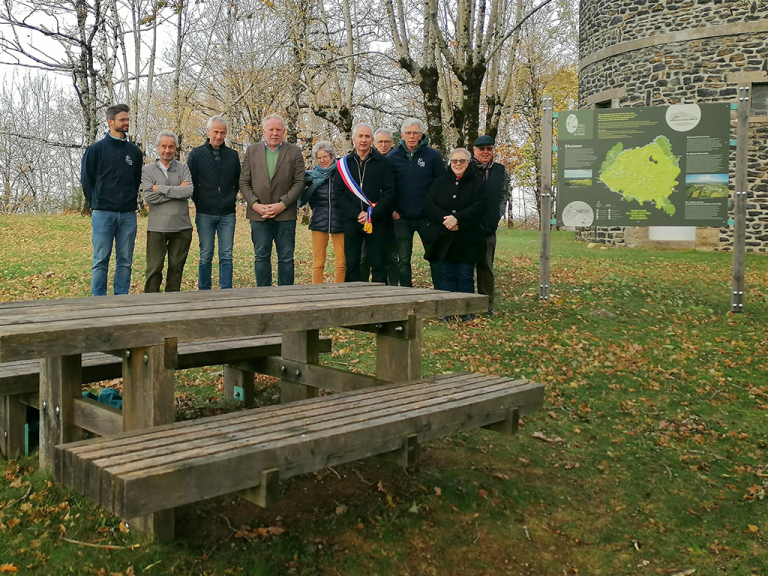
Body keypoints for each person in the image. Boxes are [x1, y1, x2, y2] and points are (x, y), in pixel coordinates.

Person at [81, 103, 143, 296]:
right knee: (101, 259)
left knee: (125, 260)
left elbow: (136, 180)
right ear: (110, 122)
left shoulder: (134, 152)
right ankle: (98, 301)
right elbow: (87, 180)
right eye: (122, 120)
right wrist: (96, 204)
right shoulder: (95, 150)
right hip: (103, 214)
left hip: (127, 215)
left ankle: (121, 299)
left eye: (128, 120)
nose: (126, 123)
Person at [240, 114, 305, 286]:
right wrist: (255, 205)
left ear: (284, 132)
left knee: (286, 257)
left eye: (278, 130)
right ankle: (263, 295)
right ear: (263, 131)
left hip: (285, 214)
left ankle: (285, 297)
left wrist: (282, 204)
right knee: (261, 256)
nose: (275, 133)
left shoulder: (294, 151)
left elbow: (299, 182)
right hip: (258, 215)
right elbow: (244, 182)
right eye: (271, 129)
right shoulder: (251, 151)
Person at [424, 148, 486, 308]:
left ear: (468, 162)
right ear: (450, 162)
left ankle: (466, 310)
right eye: (454, 161)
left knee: (465, 275)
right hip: (443, 237)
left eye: (462, 161)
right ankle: (446, 310)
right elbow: (429, 205)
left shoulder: (477, 182)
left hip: (467, 237)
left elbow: (480, 206)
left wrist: (458, 219)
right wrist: (446, 221)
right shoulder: (439, 181)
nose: (458, 164)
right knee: (445, 275)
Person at [387, 118, 445, 287]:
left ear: (421, 135)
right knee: (403, 260)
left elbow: (441, 185)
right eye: (408, 133)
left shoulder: (433, 156)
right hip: (401, 218)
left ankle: (439, 295)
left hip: (426, 217)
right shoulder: (392, 157)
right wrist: (391, 209)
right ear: (402, 135)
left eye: (415, 133)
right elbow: (385, 186)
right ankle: (407, 296)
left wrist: (435, 211)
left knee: (434, 257)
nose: (411, 136)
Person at [335, 122, 395, 283]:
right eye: (360, 136)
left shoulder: (383, 163)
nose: (363, 140)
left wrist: (373, 214)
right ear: (353, 139)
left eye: (367, 136)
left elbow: (390, 192)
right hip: (352, 220)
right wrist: (357, 213)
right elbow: (339, 194)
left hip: (377, 220)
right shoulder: (343, 164)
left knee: (378, 263)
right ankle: (352, 300)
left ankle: (379, 300)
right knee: (353, 263)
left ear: (372, 140)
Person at [187, 115, 240, 290]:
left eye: (222, 133)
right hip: (205, 212)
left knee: (226, 255)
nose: (219, 136)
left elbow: (237, 181)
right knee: (205, 254)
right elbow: (190, 182)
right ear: (208, 131)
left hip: (227, 213)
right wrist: (200, 201)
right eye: (216, 132)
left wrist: (230, 197)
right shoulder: (196, 154)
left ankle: (226, 291)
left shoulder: (233, 156)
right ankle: (204, 291)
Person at [141, 130, 194, 292]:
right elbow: (149, 196)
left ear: (175, 148)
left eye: (171, 147)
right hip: (157, 227)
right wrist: (177, 191)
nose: (167, 150)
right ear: (157, 147)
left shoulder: (183, 167)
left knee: (176, 269)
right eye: (163, 146)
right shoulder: (148, 170)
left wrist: (161, 189)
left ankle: (173, 305)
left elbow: (189, 191)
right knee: (154, 268)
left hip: (182, 227)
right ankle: (151, 304)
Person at [472, 135, 508, 315]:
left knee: (486, 267)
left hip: (489, 227)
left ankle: (487, 305)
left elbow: (504, 196)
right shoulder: (467, 167)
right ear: (474, 150)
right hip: (468, 227)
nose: (485, 152)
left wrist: (496, 216)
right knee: (465, 266)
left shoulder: (500, 170)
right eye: (481, 149)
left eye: (489, 149)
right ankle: (468, 303)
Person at [359, 128, 398, 284]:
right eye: (380, 141)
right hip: (368, 216)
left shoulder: (396, 159)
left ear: (392, 143)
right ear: (374, 143)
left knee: (391, 256)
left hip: (392, 216)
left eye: (387, 142)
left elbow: (394, 189)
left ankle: (393, 287)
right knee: (365, 255)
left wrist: (393, 209)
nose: (383, 145)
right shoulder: (365, 160)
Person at [304, 141, 345, 283]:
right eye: (319, 158)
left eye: (325, 157)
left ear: (332, 156)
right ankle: (316, 293)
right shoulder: (312, 176)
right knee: (318, 262)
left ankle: (339, 293)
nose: (322, 161)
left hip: (340, 220)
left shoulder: (341, 173)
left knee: (341, 262)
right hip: (319, 220)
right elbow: (311, 199)